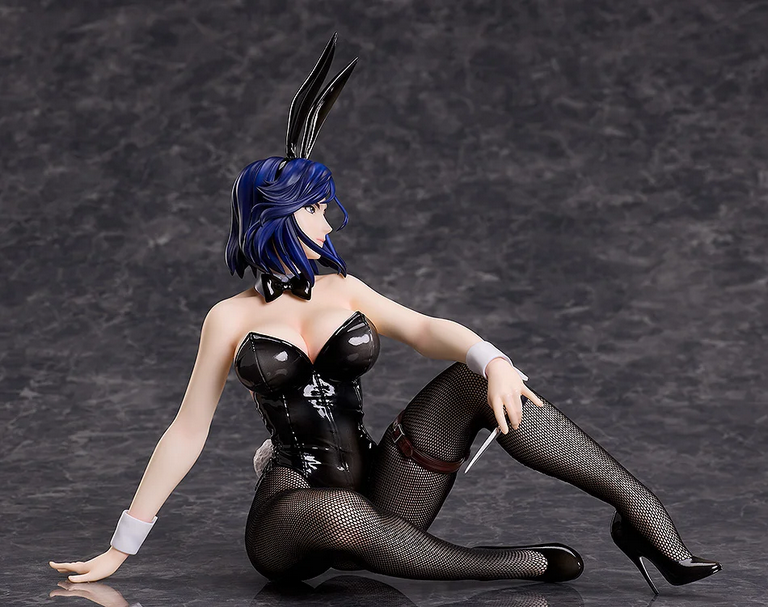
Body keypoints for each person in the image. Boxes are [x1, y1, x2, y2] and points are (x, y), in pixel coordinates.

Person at [50, 34, 721, 594]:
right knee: (337, 514)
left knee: (474, 379)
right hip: (294, 516)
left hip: (380, 492)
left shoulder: (345, 289)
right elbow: (186, 432)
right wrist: (121, 546)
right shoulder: (228, 318)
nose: (328, 221)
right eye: (314, 209)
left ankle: (642, 514)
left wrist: (494, 361)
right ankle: (514, 562)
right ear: (276, 218)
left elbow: (426, 329)